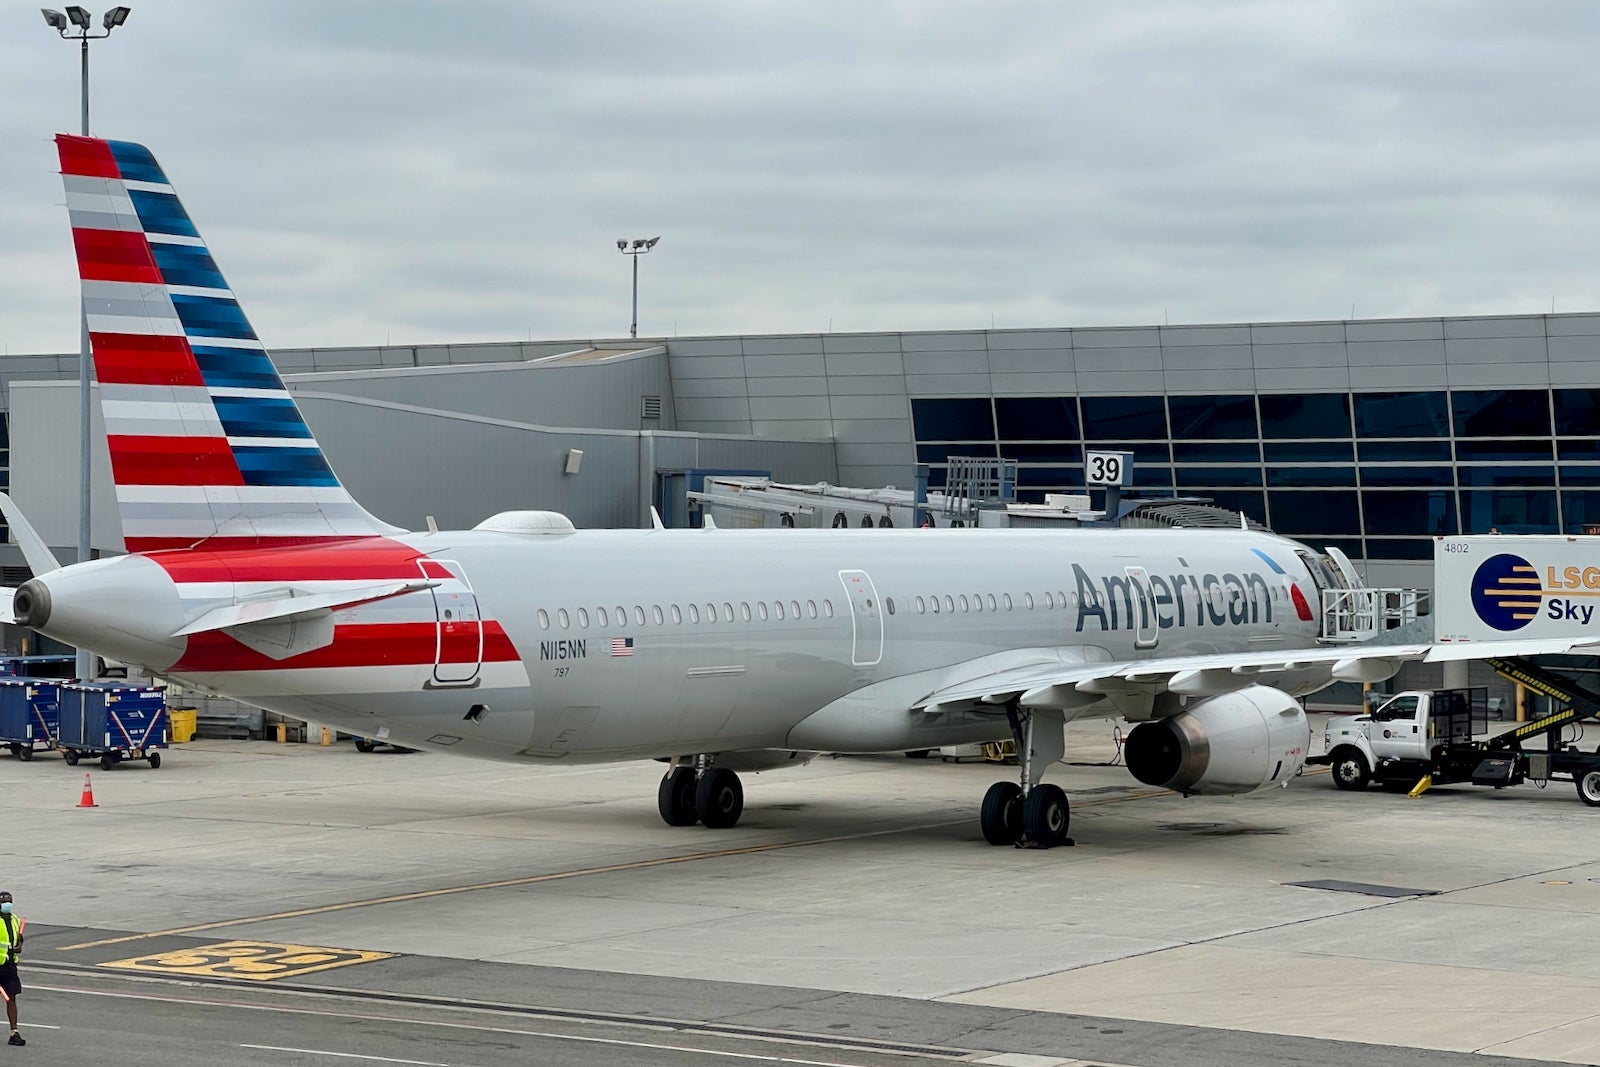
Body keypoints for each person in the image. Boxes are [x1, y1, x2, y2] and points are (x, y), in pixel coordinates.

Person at [0, 891, 23, 1046]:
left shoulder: (15, 919)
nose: (8, 904)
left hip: (9, 965)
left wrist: (19, 947)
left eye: (10, 901)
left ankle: (14, 1032)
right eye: (5, 902)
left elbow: (18, 939)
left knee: (12, 997)